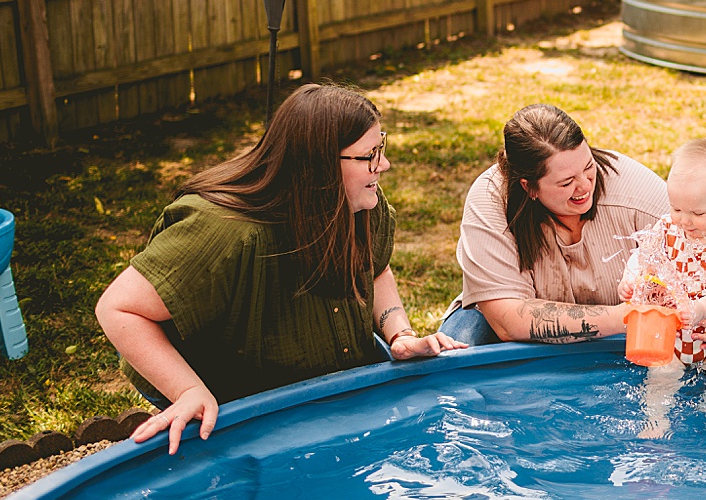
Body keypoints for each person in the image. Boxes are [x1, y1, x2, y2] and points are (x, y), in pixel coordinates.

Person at [96, 84, 465, 454]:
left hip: (303, 370)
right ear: (318, 164)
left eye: (380, 148)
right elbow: (119, 308)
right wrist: (187, 390)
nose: (383, 165)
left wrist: (398, 333)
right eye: (369, 155)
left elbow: (374, 267)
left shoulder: (361, 201)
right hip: (222, 388)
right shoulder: (226, 231)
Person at [442, 104, 706, 351]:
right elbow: (508, 321)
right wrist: (630, 315)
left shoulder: (639, 196)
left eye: (589, 167)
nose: (584, 187)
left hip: (623, 336)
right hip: (509, 332)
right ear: (530, 188)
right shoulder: (490, 201)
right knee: (458, 352)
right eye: (566, 182)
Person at [619, 139, 706, 437]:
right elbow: (642, 256)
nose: (685, 221)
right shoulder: (667, 227)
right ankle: (656, 422)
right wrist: (629, 280)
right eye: (676, 207)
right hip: (672, 330)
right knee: (660, 376)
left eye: (698, 213)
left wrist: (700, 307)